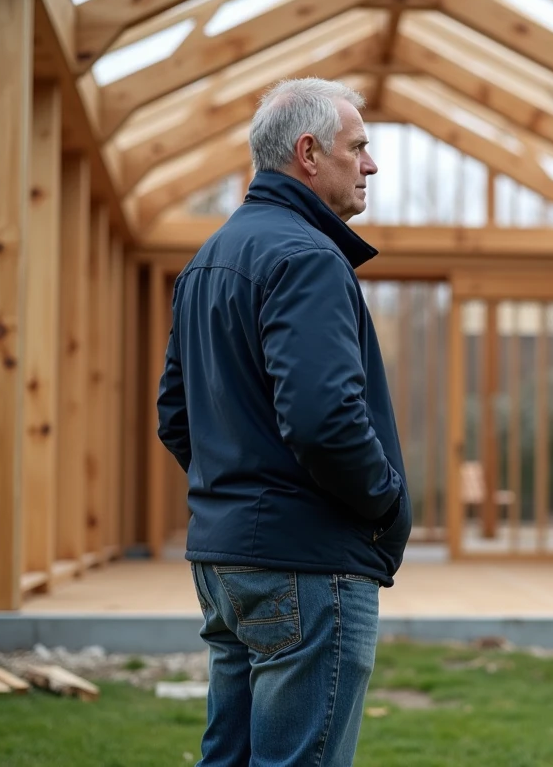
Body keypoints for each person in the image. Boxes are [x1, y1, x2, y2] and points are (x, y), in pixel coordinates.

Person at [156, 77, 411, 766]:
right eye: (357, 147)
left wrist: (239, 493)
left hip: (226, 563)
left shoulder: (208, 261)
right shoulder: (308, 258)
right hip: (306, 566)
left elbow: (175, 417)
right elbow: (325, 419)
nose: (371, 164)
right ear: (308, 153)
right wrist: (386, 505)